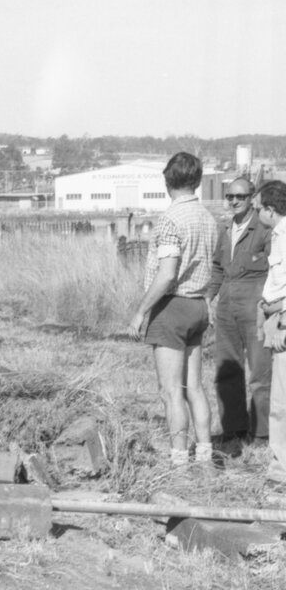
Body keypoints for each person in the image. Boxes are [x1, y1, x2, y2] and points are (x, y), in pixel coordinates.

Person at [127, 152, 218, 468]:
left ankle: (179, 460)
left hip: (173, 307)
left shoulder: (169, 220)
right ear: (197, 180)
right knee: (193, 386)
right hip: (198, 306)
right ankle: (205, 454)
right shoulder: (207, 218)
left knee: (170, 391)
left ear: (167, 182)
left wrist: (141, 312)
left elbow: (167, 273)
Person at [206, 177, 273, 448]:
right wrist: (208, 298)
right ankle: (233, 429)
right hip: (226, 305)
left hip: (255, 304)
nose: (234, 201)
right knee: (228, 368)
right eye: (230, 196)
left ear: (252, 197)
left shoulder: (265, 228)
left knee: (260, 372)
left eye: (240, 197)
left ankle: (261, 434)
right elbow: (218, 268)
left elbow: (275, 265)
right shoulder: (225, 228)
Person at [255, 180, 286, 488]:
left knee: (281, 400)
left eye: (258, 206)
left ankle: (282, 467)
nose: (255, 211)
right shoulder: (278, 235)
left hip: (284, 320)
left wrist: (283, 323)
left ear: (270, 209)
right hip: (275, 314)